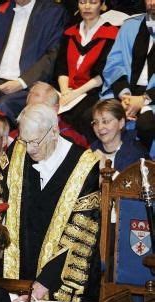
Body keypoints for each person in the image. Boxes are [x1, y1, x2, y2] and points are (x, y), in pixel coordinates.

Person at [0, 103, 101, 302]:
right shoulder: (18, 149)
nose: (29, 148)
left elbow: (80, 233)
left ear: (54, 132)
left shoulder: (84, 166)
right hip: (15, 268)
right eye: (25, 140)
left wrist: (45, 282)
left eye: (35, 142)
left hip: (57, 275)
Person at [0, 0, 67, 123]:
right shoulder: (0, 11)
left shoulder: (52, 12)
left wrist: (21, 82)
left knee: (4, 106)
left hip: (29, 85)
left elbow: (52, 55)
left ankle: (2, 140)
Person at [55, 0, 119, 141]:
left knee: (82, 115)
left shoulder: (112, 34)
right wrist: (65, 91)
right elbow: (61, 66)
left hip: (94, 91)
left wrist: (74, 94)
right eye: (82, 2)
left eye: (93, 2)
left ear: (102, 5)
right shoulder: (69, 32)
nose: (87, 7)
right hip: (66, 90)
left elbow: (104, 73)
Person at [101, 0, 155, 150]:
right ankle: (107, 163)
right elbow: (114, 63)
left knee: (146, 124)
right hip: (126, 89)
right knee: (93, 115)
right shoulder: (130, 26)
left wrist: (144, 99)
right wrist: (124, 95)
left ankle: (144, 167)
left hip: (152, 95)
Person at [90, 98, 148, 173]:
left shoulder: (136, 154)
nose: (100, 127)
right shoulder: (92, 151)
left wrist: (104, 170)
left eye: (105, 121)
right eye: (96, 122)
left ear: (121, 123)